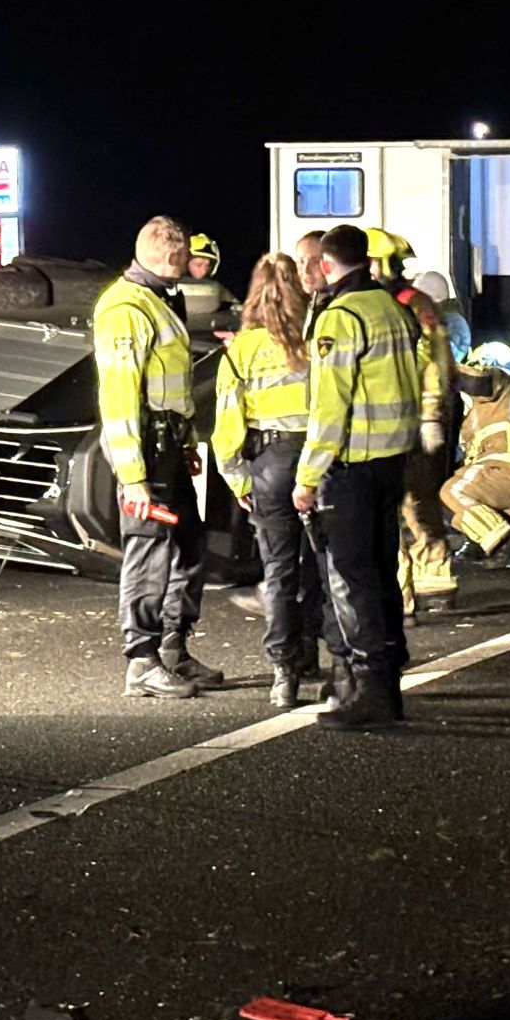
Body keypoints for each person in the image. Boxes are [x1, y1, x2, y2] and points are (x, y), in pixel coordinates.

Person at [294, 224, 424, 729]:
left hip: (351, 466)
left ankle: (370, 688)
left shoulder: (342, 318)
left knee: (350, 578)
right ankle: (387, 678)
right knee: (381, 569)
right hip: (393, 459)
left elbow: (331, 408)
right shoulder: (392, 307)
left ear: (327, 265)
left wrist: (307, 477)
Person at [93, 216, 223, 699]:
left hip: (169, 447)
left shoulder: (160, 299)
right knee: (148, 551)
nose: (186, 266)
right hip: (145, 451)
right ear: (166, 255)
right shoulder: (125, 309)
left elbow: (173, 385)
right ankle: (142, 661)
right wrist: (133, 477)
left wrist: (187, 443)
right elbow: (120, 400)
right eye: (182, 257)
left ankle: (173, 648)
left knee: (191, 546)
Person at [212, 255, 336, 708]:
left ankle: (283, 674)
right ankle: (322, 656)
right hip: (321, 458)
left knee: (279, 570)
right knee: (325, 565)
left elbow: (227, 427)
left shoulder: (242, 350)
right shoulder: (317, 338)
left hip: (270, 462)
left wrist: (238, 480)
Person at [367, 228, 456, 619]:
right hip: (384, 420)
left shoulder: (411, 303)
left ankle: (432, 578)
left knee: (415, 500)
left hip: (415, 418)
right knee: (394, 505)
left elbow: (436, 361)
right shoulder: (376, 302)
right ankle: (407, 589)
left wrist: (431, 414)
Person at [441, 352, 510, 568]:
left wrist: (435, 363)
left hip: (501, 470)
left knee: (451, 493)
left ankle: (503, 542)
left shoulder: (502, 384)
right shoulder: (497, 408)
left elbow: (476, 381)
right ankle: (498, 541)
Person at [179, 232, 240, 320]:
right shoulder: (167, 288)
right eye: (198, 265)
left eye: (207, 266)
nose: (204, 271)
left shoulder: (217, 289)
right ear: (184, 263)